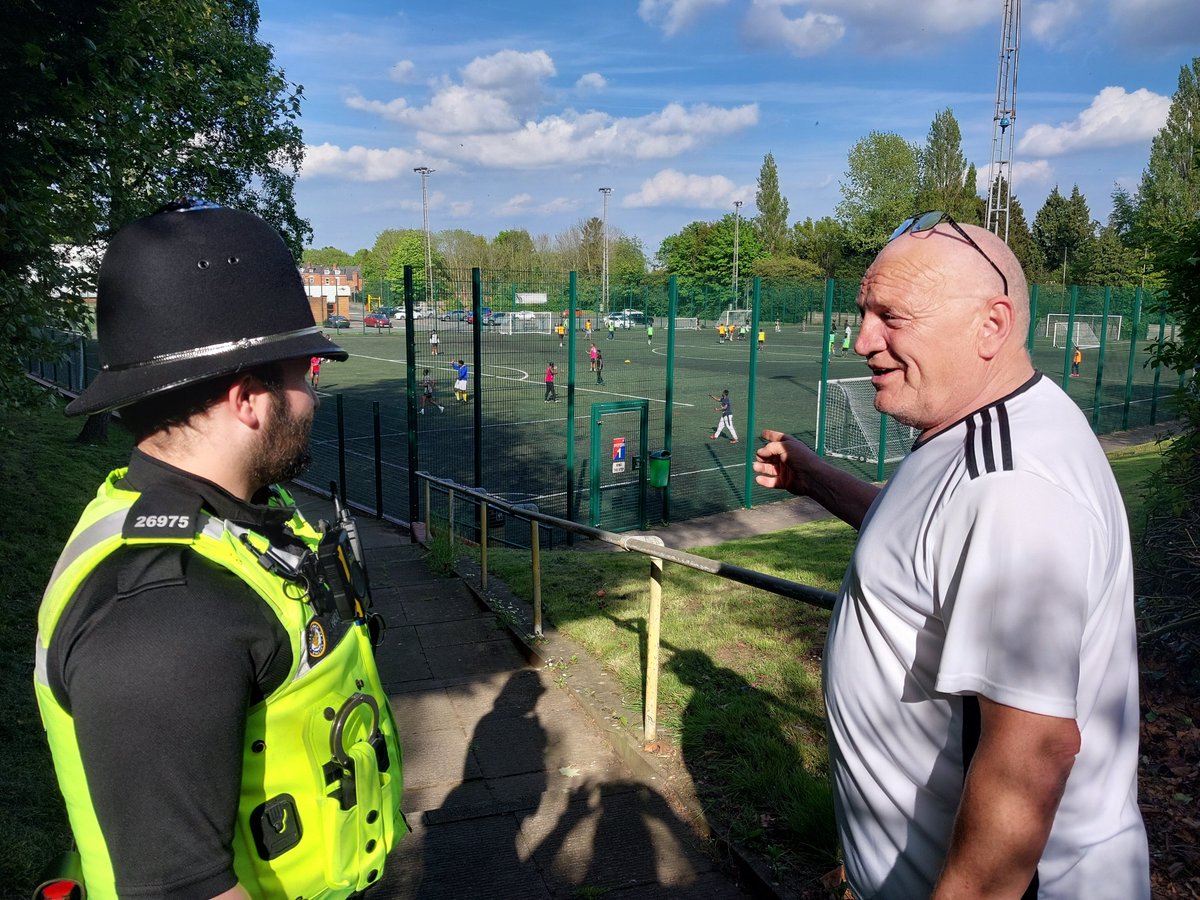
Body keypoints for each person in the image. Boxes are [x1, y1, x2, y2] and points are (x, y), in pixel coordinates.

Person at [753, 212, 1149, 898]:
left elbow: (1031, 757)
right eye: (861, 312)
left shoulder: (1011, 485)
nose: (860, 339)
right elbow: (926, 546)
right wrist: (814, 478)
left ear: (991, 325)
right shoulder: (974, 430)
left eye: (890, 316)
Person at [34, 200, 407, 899]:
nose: (313, 398)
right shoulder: (164, 615)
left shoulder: (236, 520)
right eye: (306, 376)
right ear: (248, 399)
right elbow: (182, 887)